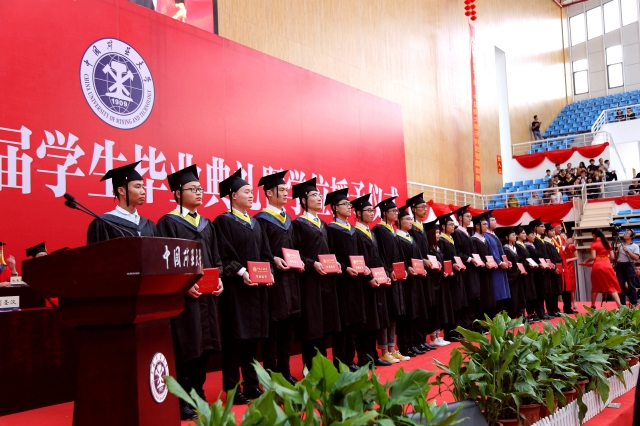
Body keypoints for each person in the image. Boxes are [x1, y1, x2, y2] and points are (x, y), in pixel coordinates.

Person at [156, 165, 224, 417]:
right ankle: (182, 397)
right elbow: (165, 262)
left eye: (200, 189)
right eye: (193, 189)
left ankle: (198, 391)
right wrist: (184, 284)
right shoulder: (168, 223)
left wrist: (219, 279)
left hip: (207, 295)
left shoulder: (206, 224)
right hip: (185, 297)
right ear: (177, 193)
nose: (199, 192)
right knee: (187, 344)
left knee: (205, 344)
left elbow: (216, 258)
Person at [213, 168, 272, 404]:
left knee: (252, 339)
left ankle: (251, 384)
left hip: (257, 290)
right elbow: (223, 255)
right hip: (236, 289)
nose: (251, 195)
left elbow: (266, 253)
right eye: (246, 191)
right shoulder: (223, 222)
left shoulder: (255, 224)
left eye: (251, 191)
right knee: (235, 339)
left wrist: (268, 272)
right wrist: (242, 272)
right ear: (233, 195)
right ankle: (231, 388)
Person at [254, 170, 302, 385]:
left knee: (286, 331)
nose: (285, 193)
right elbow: (260, 251)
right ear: (268, 193)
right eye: (281, 190)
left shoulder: (288, 219)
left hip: (290, 281)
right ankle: (271, 375)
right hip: (273, 282)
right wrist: (273, 259)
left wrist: (299, 261)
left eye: (286, 190)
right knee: (272, 332)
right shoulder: (261, 220)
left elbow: (295, 248)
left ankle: (285, 372)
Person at [291, 178, 341, 371]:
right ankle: (311, 367)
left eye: (320, 195)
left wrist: (335, 262)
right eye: (314, 195)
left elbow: (330, 250)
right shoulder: (298, 224)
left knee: (326, 323)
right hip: (309, 281)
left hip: (327, 281)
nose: (319, 198)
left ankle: (323, 366)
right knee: (312, 325)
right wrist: (312, 264)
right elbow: (294, 253)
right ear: (303, 200)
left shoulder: (323, 225)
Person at [325, 187, 368, 371]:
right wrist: (344, 268)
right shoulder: (331, 229)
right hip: (341, 282)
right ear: (335, 207)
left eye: (350, 204)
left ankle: (350, 359)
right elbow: (330, 256)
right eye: (345, 204)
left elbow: (360, 255)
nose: (349, 207)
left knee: (355, 322)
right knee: (343, 324)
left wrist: (364, 267)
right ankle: (340, 362)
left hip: (356, 281)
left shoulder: (353, 231)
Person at [351, 194, 392, 367]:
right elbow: (358, 259)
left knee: (376, 320)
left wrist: (385, 275)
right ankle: (363, 357)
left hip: (376, 282)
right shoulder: (355, 233)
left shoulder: (371, 232)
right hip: (364, 283)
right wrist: (368, 277)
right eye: (367, 210)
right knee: (366, 322)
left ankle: (373, 355)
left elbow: (379, 257)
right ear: (358, 213)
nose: (371, 213)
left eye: (372, 210)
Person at [373, 197, 410, 360]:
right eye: (393, 211)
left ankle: (392, 347)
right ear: (385, 213)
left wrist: (404, 269)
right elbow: (379, 255)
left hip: (397, 277)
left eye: (396, 210)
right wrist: (388, 271)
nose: (396, 213)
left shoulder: (392, 230)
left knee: (395, 313)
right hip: (386, 278)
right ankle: (384, 351)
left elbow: (399, 255)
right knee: (386, 314)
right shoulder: (379, 230)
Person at [87, 161, 159, 244]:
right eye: (138, 187)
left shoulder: (149, 225)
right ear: (121, 191)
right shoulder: (104, 223)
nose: (143, 192)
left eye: (143, 187)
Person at [396, 206, 430, 357]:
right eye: (407, 219)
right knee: (408, 313)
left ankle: (416, 341)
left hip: (416, 280)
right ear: (399, 221)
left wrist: (422, 268)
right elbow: (399, 259)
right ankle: (405, 345)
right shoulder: (397, 238)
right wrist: (407, 268)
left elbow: (418, 258)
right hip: (406, 282)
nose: (410, 221)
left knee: (417, 311)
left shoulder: (411, 238)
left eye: (411, 219)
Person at [406, 193, 437, 352]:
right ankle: (415, 340)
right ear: (413, 209)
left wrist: (432, 260)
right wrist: (422, 261)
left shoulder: (422, 228)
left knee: (426, 306)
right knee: (417, 307)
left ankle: (421, 339)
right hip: (416, 272)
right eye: (422, 207)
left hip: (427, 272)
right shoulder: (411, 229)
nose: (425, 209)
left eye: (426, 207)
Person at [452, 205, 483, 331]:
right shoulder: (457, 233)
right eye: (467, 216)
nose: (470, 218)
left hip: (473, 269)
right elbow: (457, 252)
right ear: (460, 218)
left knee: (474, 296)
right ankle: (466, 325)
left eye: (470, 216)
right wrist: (469, 259)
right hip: (465, 271)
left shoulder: (467, 233)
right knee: (468, 296)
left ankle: (473, 323)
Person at [437, 213, 467, 341]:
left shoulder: (451, 239)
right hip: (448, 277)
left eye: (453, 224)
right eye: (450, 224)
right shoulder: (442, 241)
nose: (453, 226)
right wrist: (451, 266)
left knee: (458, 304)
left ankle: (456, 330)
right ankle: (450, 333)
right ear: (443, 226)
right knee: (451, 305)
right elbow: (443, 259)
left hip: (456, 275)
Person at [425, 218, 454, 345]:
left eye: (438, 232)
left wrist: (445, 271)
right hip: (432, 283)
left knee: (440, 309)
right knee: (434, 310)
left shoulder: (437, 248)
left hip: (440, 282)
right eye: (436, 233)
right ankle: (433, 337)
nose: (438, 235)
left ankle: (438, 335)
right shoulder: (429, 250)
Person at [471, 212, 497, 327]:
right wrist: (483, 263)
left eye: (487, 224)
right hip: (480, 273)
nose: (487, 226)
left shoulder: (484, 239)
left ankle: (488, 322)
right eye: (484, 224)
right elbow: (475, 256)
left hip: (488, 271)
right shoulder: (473, 240)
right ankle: (480, 324)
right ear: (477, 226)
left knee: (489, 296)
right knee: (482, 297)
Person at [585, 228, 622, 308]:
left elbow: (593, 257)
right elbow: (612, 257)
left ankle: (593, 305)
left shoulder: (594, 244)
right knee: (611, 286)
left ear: (594, 235)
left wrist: (586, 261)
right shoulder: (607, 243)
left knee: (595, 286)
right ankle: (619, 305)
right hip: (607, 266)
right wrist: (605, 258)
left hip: (597, 266)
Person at [496, 227, 526, 319]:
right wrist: (516, 271)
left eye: (514, 235)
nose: (515, 236)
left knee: (519, 295)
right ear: (507, 237)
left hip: (518, 275)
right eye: (512, 235)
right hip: (512, 276)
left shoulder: (515, 248)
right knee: (513, 296)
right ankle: (512, 316)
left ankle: (520, 316)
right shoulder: (505, 249)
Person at [485, 213, 512, 313]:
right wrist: (500, 263)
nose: (495, 222)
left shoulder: (494, 235)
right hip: (496, 268)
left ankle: (501, 315)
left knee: (503, 293)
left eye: (495, 220)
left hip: (502, 267)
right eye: (492, 220)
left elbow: (501, 251)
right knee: (498, 292)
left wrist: (506, 261)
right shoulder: (486, 236)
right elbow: (492, 252)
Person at [525, 222, 550, 320]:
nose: (534, 236)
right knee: (537, 292)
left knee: (541, 292)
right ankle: (537, 312)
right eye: (531, 234)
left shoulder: (533, 245)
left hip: (539, 270)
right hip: (534, 272)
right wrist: (538, 264)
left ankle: (542, 311)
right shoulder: (527, 246)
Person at [615, 229, 640, 307]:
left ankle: (634, 304)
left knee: (631, 285)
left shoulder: (635, 246)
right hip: (619, 265)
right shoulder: (620, 245)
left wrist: (628, 251)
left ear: (631, 236)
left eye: (627, 233)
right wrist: (616, 254)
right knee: (620, 285)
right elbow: (617, 258)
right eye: (625, 232)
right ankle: (622, 305)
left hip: (629, 265)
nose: (625, 234)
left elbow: (636, 258)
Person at [564, 240, 578, 312]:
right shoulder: (560, 247)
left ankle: (574, 301)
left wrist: (569, 259)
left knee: (571, 284)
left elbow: (576, 257)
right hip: (563, 265)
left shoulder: (572, 246)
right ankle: (566, 304)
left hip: (569, 266)